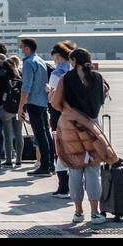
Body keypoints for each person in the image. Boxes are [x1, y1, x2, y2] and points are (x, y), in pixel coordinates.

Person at [50, 48, 116, 224]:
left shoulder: (66, 78)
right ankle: (95, 213)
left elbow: (56, 104)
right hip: (93, 126)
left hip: (71, 127)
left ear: (73, 61)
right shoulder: (97, 78)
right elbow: (101, 100)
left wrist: (58, 100)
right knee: (93, 171)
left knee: (75, 170)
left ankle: (78, 212)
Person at [18, 37, 56, 176]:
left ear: (27, 48)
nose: (20, 50)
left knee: (40, 135)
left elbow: (26, 87)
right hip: (43, 101)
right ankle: (51, 164)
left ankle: (45, 165)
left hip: (33, 102)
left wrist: (21, 106)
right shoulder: (40, 61)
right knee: (46, 133)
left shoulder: (28, 63)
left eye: (21, 47)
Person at [48, 41, 76, 197]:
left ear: (58, 57)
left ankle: (63, 187)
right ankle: (75, 183)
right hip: (74, 114)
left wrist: (49, 92)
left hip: (58, 114)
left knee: (59, 151)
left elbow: (52, 97)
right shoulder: (74, 72)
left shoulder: (57, 73)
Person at [0, 54, 25, 167]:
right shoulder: (19, 78)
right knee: (19, 134)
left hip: (5, 109)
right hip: (18, 108)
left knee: (8, 135)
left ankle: (9, 160)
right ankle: (19, 160)